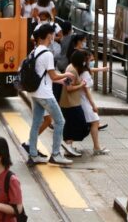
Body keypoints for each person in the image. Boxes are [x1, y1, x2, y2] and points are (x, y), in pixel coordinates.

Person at [26, 24, 75, 166]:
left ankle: (33, 155)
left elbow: (45, 75)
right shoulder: (47, 53)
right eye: (53, 34)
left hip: (35, 92)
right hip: (45, 95)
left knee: (36, 124)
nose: (54, 37)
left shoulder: (34, 52)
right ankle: (55, 154)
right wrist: (67, 74)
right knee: (60, 121)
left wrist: (62, 81)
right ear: (49, 36)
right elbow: (53, 76)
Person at [61, 50, 108, 157]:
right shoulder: (74, 71)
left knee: (75, 123)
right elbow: (69, 88)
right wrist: (93, 105)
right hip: (76, 101)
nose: (90, 61)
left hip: (76, 101)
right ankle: (70, 145)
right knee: (85, 123)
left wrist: (102, 69)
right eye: (88, 60)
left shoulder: (73, 68)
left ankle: (70, 146)